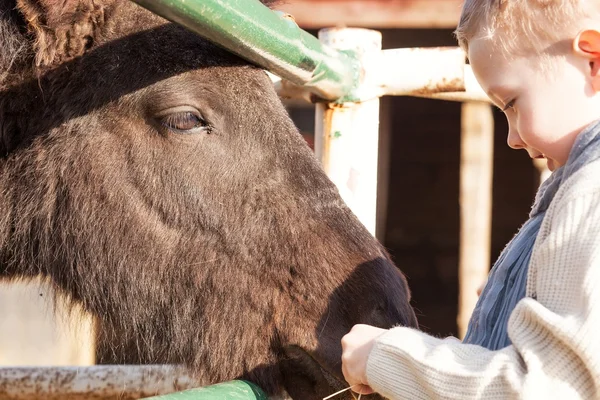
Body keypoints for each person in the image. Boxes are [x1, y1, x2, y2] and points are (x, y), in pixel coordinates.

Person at [340, 0, 600, 398]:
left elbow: (546, 387)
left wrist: (388, 358)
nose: (512, 138)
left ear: (593, 61)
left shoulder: (590, 190)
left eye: (511, 103)